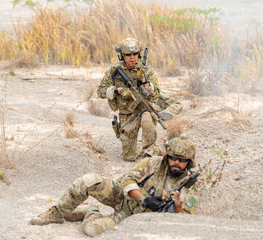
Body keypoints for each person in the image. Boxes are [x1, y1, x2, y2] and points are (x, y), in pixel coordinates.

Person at [30, 135, 198, 237]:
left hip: (131, 220)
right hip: (124, 199)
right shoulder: (153, 163)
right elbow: (126, 179)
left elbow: (182, 225)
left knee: (93, 230)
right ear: (167, 157)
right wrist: (144, 200)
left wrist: (177, 206)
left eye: (182, 160)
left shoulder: (188, 189)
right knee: (89, 180)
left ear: (189, 162)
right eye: (173, 158)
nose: (176, 162)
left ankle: (90, 211)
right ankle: (57, 213)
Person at [97, 38, 161, 161]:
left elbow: (156, 94)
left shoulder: (146, 71)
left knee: (147, 121)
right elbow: (100, 91)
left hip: (144, 109)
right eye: (128, 55)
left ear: (139, 54)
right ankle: (131, 139)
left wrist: (145, 82)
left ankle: (150, 150)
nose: (132, 57)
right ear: (122, 55)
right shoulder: (115, 71)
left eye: (135, 54)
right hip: (127, 114)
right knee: (129, 157)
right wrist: (117, 91)